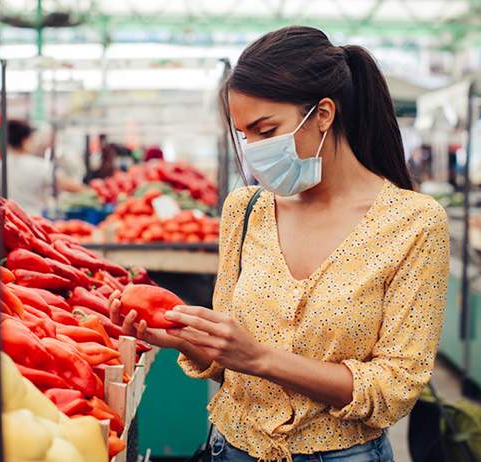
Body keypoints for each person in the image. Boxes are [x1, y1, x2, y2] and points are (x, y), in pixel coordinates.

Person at [110, 27, 449, 462]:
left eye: (265, 129)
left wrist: (260, 358)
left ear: (323, 114)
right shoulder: (245, 210)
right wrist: (183, 337)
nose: (252, 150)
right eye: (244, 135)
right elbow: (226, 363)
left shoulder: (413, 223)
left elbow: (396, 386)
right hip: (229, 449)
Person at [2, 120, 83, 215]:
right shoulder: (39, 166)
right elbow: (69, 186)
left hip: (9, 219)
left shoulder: (0, 165)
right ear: (25, 141)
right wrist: (90, 191)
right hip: (34, 220)